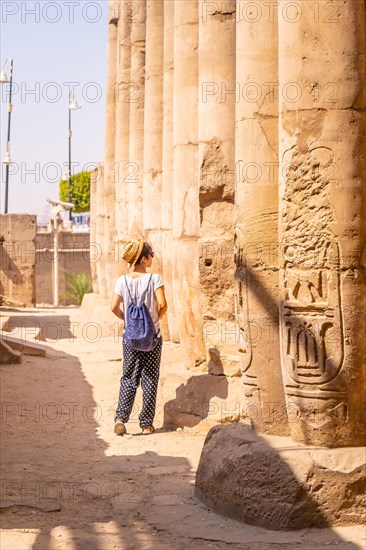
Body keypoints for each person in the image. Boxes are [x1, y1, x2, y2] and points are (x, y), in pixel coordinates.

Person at [111, 239, 167, 435]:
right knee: (150, 378)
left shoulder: (122, 280)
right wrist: (154, 321)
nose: (152, 258)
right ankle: (146, 424)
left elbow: (113, 307)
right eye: (150, 255)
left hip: (130, 337)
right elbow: (162, 304)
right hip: (152, 337)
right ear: (143, 259)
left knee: (128, 377)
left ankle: (120, 418)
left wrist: (127, 321)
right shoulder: (155, 279)